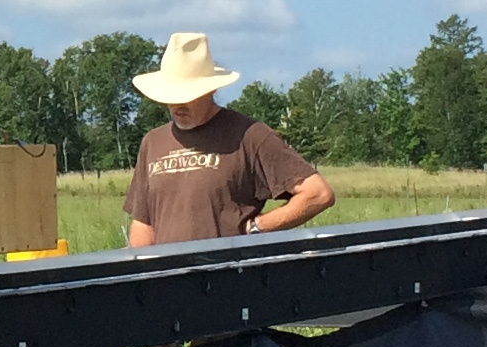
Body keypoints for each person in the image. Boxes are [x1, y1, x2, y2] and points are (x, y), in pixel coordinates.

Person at [122, 33, 334, 246]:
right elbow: (143, 223)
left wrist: (258, 227)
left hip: (229, 265)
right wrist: (142, 263)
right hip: (168, 267)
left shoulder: (250, 135)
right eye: (170, 96)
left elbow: (317, 193)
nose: (177, 104)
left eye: (187, 96)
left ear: (211, 89)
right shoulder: (153, 142)